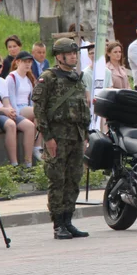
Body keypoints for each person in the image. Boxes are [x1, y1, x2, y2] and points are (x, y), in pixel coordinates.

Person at [33, 37, 91, 240]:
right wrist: (48, 138)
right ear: (59, 56)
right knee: (57, 180)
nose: (74, 56)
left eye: (75, 53)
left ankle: (68, 220)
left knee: (74, 179)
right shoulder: (48, 78)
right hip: (57, 137)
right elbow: (39, 111)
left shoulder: (76, 77)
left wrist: (84, 136)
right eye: (70, 53)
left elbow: (83, 108)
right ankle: (58, 224)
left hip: (76, 136)